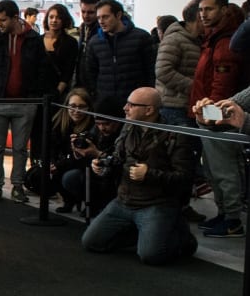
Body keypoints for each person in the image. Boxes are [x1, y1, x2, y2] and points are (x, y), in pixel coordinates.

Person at [81, 87, 197, 265]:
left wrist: (149, 174)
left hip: (156, 204)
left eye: (131, 105)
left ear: (149, 110)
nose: (125, 108)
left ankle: (181, 236)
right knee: (91, 242)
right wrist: (102, 163)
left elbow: (185, 178)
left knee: (151, 256)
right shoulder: (128, 128)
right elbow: (117, 159)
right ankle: (144, 233)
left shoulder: (176, 135)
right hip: (124, 201)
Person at [0, 0, 52, 203]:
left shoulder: (33, 39)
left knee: (20, 148)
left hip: (25, 102)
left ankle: (17, 186)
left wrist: (34, 95)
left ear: (14, 17)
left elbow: (41, 69)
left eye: (2, 20)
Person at [188, 0, 248, 238]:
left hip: (220, 115)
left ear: (224, 9)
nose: (203, 14)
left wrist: (213, 112)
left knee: (225, 170)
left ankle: (233, 220)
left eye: (209, 9)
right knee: (214, 169)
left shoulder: (227, 41)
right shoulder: (214, 37)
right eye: (200, 9)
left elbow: (222, 85)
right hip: (210, 113)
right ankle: (225, 214)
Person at [30, 88, 94, 211]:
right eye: (73, 106)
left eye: (81, 107)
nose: (76, 111)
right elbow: (50, 147)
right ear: (66, 106)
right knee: (40, 174)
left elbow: (82, 158)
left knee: (68, 176)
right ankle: (68, 201)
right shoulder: (58, 122)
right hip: (63, 162)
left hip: (83, 167)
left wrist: (58, 165)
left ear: (88, 108)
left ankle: (89, 203)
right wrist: (51, 163)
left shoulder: (92, 126)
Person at [83, 0, 155, 104]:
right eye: (98, 18)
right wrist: (96, 95)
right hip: (105, 102)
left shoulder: (141, 38)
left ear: (118, 15)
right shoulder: (95, 42)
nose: (101, 21)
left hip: (135, 101)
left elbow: (151, 70)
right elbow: (90, 73)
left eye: (105, 17)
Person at [62, 96, 124, 217]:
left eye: (106, 124)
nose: (102, 128)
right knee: (71, 177)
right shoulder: (95, 130)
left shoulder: (124, 133)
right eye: (98, 124)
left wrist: (97, 154)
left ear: (117, 121)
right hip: (95, 174)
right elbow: (80, 163)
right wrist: (78, 152)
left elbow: (120, 163)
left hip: (117, 179)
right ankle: (93, 205)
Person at [35, 3, 80, 162]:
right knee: (37, 131)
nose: (54, 21)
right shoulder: (37, 40)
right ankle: (36, 164)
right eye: (51, 17)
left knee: (54, 130)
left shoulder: (70, 43)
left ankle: (52, 163)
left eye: (58, 17)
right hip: (37, 92)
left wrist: (58, 91)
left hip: (57, 93)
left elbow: (68, 70)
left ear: (64, 20)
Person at [72, 0, 104, 90]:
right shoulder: (83, 28)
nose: (86, 15)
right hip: (82, 84)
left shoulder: (104, 32)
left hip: (97, 86)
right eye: (83, 11)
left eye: (91, 12)